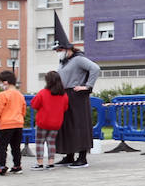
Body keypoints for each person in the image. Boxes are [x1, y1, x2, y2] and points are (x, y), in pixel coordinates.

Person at [52, 16, 100, 168]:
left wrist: (87, 86)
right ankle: (69, 155)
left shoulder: (79, 59)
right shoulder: (63, 61)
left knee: (79, 125)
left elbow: (95, 68)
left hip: (77, 96)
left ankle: (82, 157)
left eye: (59, 49)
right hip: (65, 96)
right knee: (67, 125)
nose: (58, 52)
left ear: (67, 48)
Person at [30, 70, 69, 171]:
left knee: (40, 142)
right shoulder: (63, 95)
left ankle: (39, 163)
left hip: (43, 121)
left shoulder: (43, 93)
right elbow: (65, 108)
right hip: (56, 123)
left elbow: (34, 104)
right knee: (51, 143)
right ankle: (51, 163)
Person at [0, 70, 27, 175]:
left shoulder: (3, 95)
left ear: (5, 82)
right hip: (18, 123)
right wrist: (20, 119)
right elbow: (23, 109)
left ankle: (2, 165)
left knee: (2, 146)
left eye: (1, 82)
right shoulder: (20, 95)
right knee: (16, 146)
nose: (1, 85)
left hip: (6, 124)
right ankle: (17, 165)